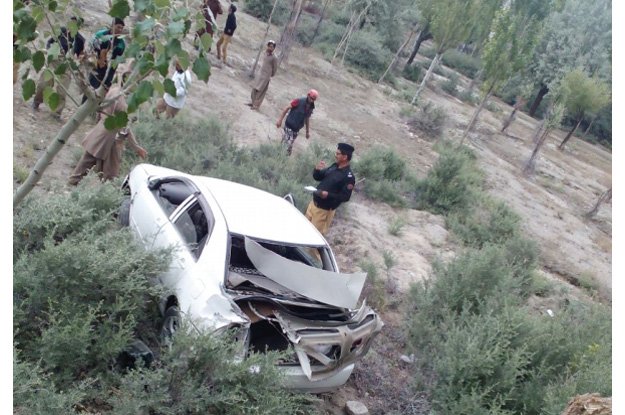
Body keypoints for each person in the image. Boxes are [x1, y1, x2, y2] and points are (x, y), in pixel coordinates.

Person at [69, 72, 147, 186]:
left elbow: (101, 111)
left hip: (100, 132)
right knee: (110, 175)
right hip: (111, 139)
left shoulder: (114, 91)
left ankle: (74, 184)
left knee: (85, 164)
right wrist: (135, 146)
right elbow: (124, 126)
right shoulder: (122, 101)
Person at [32, 17, 86, 118]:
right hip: (54, 61)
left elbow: (80, 55)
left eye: (75, 24)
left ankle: (56, 113)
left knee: (62, 90)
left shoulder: (80, 40)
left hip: (66, 65)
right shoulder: (61, 31)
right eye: (71, 22)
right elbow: (49, 42)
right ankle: (37, 101)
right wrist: (50, 51)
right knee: (44, 84)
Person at [305, 143, 356, 236]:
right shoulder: (334, 166)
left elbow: (345, 197)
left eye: (338, 154)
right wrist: (317, 170)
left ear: (345, 157)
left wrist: (327, 195)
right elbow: (318, 177)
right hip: (313, 205)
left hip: (323, 212)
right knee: (303, 232)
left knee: (313, 241)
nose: (335, 155)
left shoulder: (348, 177)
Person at [82, 18, 126, 103]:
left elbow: (116, 59)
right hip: (97, 66)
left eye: (121, 28)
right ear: (112, 26)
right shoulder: (100, 34)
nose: (120, 30)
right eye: (118, 27)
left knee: (103, 90)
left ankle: (96, 109)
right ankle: (83, 105)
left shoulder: (121, 43)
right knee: (92, 87)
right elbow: (91, 46)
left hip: (109, 69)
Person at [276, 89, 318, 155]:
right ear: (308, 95)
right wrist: (280, 120)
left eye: (313, 99)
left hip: (296, 129)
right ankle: (281, 156)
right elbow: (287, 108)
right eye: (311, 98)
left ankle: (280, 156)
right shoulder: (299, 101)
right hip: (289, 125)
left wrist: (307, 132)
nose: (312, 100)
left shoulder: (311, 107)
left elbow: (307, 119)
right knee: (287, 144)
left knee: (288, 143)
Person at [249, 40, 277, 110]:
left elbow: (275, 68)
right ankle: (252, 102)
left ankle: (256, 106)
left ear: (274, 48)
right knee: (254, 88)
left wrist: (270, 75)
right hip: (260, 74)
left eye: (272, 47)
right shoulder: (265, 53)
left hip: (266, 76)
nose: (270, 48)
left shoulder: (274, 57)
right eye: (269, 46)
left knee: (261, 91)